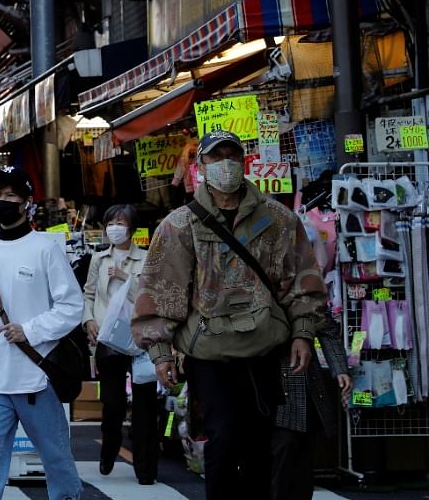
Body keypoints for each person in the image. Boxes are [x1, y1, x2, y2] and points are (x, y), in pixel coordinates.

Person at [133, 130, 327, 500]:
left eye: (231, 154)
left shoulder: (279, 220)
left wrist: (303, 332)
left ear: (243, 161)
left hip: (264, 350)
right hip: (209, 353)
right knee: (223, 438)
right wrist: (160, 354)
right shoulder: (178, 225)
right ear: (201, 165)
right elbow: (160, 290)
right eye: (215, 156)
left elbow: (302, 280)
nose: (225, 162)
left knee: (259, 440)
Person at [0, 166, 83, 500]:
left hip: (38, 373)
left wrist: (29, 330)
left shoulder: (46, 247)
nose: (2, 201)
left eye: (10, 195)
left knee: (56, 456)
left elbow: (71, 306)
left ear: (27, 202)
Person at [81, 204, 157, 484]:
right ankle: (109, 449)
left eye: (120, 222)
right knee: (112, 403)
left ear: (132, 228)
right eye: (110, 222)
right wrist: (88, 321)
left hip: (140, 339)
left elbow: (153, 296)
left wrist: (126, 278)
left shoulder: (148, 258)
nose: (114, 227)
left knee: (145, 405)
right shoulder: (98, 259)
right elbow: (88, 294)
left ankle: (146, 467)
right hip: (107, 339)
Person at [271, 316, 351, 500]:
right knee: (281, 452)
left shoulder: (307, 292)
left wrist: (340, 369)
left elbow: (327, 327)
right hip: (270, 382)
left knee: (302, 459)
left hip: (305, 384)